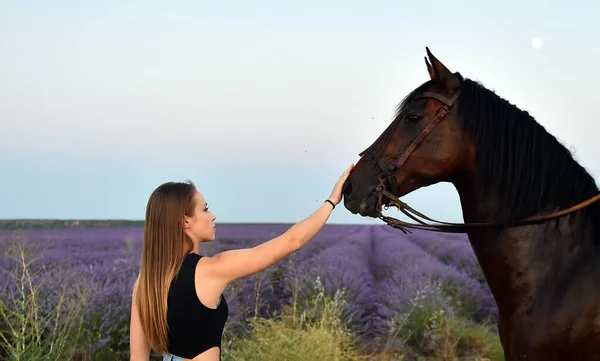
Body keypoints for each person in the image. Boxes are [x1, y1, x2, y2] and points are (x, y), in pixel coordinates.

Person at [129, 164, 354, 361]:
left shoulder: (146, 281)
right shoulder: (210, 270)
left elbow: (138, 356)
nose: (212, 216)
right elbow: (291, 241)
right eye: (205, 209)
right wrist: (331, 202)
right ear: (186, 221)